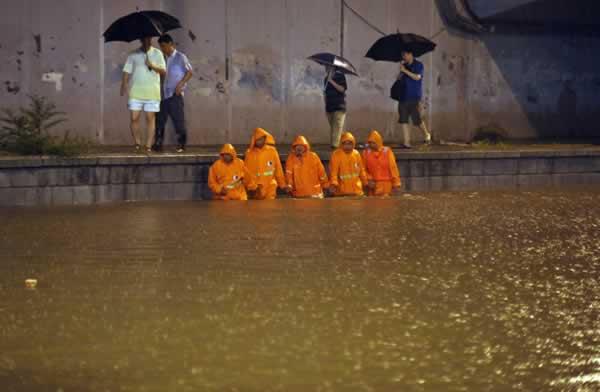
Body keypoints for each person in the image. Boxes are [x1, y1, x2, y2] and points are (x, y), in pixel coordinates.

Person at [121, 37, 166, 153]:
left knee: (150, 118)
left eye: (149, 39)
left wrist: (152, 65)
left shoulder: (158, 53)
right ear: (141, 40)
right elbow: (126, 71)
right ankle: (137, 142)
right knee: (134, 118)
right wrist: (124, 85)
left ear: (151, 39)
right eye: (144, 39)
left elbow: (163, 71)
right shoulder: (133, 54)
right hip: (136, 91)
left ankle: (148, 145)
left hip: (152, 92)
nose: (147, 41)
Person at [153, 34, 193, 153]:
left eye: (164, 46)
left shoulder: (180, 57)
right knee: (159, 120)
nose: (163, 49)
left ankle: (181, 144)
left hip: (175, 94)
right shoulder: (162, 58)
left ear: (171, 44)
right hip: (163, 94)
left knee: (178, 120)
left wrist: (181, 84)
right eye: (161, 47)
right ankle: (158, 143)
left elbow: (190, 72)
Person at [396, 50, 432, 148]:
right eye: (402, 55)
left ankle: (426, 134)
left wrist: (405, 71)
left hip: (414, 96)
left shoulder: (418, 65)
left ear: (411, 54)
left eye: (405, 55)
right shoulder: (404, 65)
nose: (404, 57)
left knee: (417, 119)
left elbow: (417, 77)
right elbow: (399, 79)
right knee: (403, 119)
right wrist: (401, 72)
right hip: (403, 96)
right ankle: (406, 142)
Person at [244, 127, 286, 200]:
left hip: (270, 187)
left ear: (265, 138)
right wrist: (251, 186)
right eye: (258, 139)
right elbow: (247, 172)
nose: (260, 141)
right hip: (256, 189)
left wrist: (283, 185)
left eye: (262, 139)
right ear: (254, 140)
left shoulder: (272, 151)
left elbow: (278, 169)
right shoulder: (249, 153)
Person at [362, 130, 401, 197]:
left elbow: (393, 167)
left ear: (378, 142)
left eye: (373, 143)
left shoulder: (387, 151)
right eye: (370, 143)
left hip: (387, 184)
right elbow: (363, 169)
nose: (371, 145)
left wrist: (396, 183)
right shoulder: (366, 153)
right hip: (373, 185)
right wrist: (368, 180)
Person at [329, 132, 367, 197]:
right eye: (345, 144)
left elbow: (361, 169)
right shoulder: (336, 155)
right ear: (341, 144)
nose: (347, 146)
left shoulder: (356, 154)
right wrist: (334, 183)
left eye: (349, 144)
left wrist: (365, 182)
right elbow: (333, 172)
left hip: (357, 191)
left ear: (353, 144)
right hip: (342, 192)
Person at [324, 66, 348, 149]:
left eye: (328, 67)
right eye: (326, 67)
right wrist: (325, 105)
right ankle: (342, 145)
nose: (326, 68)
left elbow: (342, 89)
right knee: (334, 129)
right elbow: (325, 93)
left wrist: (331, 81)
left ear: (333, 68)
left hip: (339, 107)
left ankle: (334, 149)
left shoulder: (340, 76)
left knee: (336, 128)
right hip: (329, 107)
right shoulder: (326, 79)